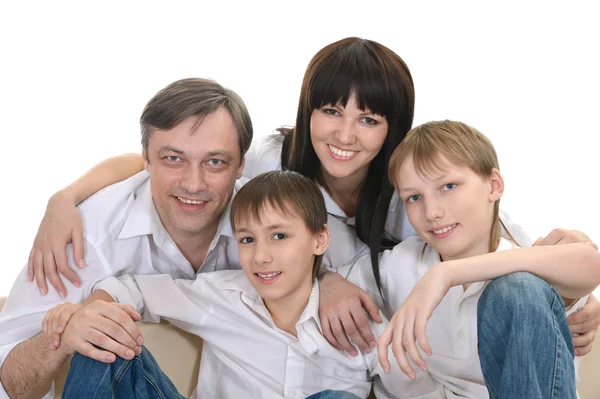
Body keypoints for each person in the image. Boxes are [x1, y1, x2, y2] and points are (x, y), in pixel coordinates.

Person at [24, 37, 600, 356]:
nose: (344, 136)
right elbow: (177, 158)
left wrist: (575, 305)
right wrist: (64, 196)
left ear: (392, 129)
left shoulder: (412, 194)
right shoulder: (272, 160)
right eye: (330, 111)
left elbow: (498, 237)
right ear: (308, 110)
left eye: (369, 119)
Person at [47, 171, 446, 399]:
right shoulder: (218, 296)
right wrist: (90, 310)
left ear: (320, 240)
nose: (261, 257)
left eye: (279, 236)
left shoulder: (361, 325)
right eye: (247, 239)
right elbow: (127, 288)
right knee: (102, 341)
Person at [0, 77, 256, 398]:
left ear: (242, 165)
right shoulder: (84, 236)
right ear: (145, 161)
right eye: (173, 159)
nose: (193, 183)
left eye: (215, 162)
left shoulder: (273, 225)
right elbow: (7, 380)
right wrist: (62, 339)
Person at [343, 120, 600, 398]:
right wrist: (330, 281)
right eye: (414, 197)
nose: (432, 212)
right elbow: (309, 285)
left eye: (449, 186)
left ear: (493, 185)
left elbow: (591, 264)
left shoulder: (526, 265)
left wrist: (447, 274)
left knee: (519, 287)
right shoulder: (400, 265)